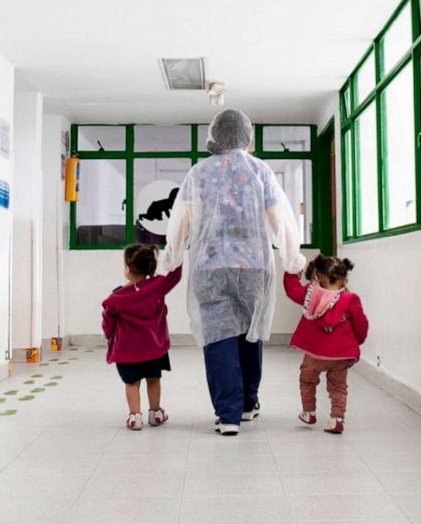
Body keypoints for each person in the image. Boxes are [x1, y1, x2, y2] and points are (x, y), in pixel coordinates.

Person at [160, 109, 306, 436]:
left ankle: (228, 415)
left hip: (210, 266)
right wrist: (292, 257)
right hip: (254, 266)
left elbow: (181, 219)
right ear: (246, 136)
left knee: (219, 337)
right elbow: (278, 217)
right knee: (249, 332)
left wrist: (170, 258)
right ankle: (248, 403)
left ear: (214, 135)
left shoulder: (199, 173)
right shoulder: (260, 171)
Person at [283, 255, 368, 434]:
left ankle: (309, 412)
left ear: (319, 276)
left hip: (315, 354)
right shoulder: (351, 299)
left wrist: (292, 273)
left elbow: (292, 291)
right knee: (338, 386)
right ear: (345, 279)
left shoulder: (310, 294)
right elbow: (361, 324)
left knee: (307, 380)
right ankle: (336, 418)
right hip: (341, 355)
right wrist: (357, 342)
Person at [102, 244, 182, 430]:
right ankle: (155, 413)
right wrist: (177, 254)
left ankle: (135, 416)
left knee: (131, 383)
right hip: (154, 349)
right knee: (154, 379)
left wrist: (108, 336)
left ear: (128, 269)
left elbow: (108, 323)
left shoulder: (116, 298)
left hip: (127, 352)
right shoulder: (157, 286)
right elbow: (175, 276)